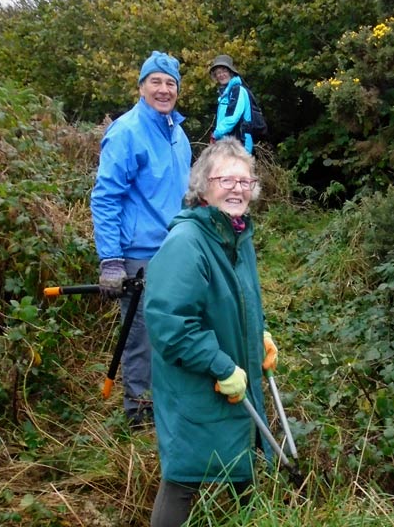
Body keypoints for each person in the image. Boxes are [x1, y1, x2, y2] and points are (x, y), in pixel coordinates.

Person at [144, 137, 279, 527]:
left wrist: (260, 335)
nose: (237, 189)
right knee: (184, 476)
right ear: (203, 186)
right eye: (226, 180)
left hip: (234, 375)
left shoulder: (237, 237)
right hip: (198, 383)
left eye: (245, 181)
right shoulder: (187, 243)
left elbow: (241, 300)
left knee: (242, 470)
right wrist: (220, 365)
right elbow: (170, 324)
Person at [90, 50, 192, 430]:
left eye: (171, 83)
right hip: (138, 256)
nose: (164, 89)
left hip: (175, 250)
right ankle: (139, 416)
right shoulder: (127, 131)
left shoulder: (178, 134)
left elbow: (185, 194)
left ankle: (168, 403)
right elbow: (105, 197)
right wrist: (111, 259)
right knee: (142, 338)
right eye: (156, 82)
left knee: (175, 328)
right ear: (141, 86)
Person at [209, 54, 254, 154]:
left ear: (231, 72)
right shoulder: (225, 94)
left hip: (240, 144)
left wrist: (215, 134)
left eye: (224, 71)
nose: (221, 75)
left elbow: (233, 117)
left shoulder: (238, 90)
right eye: (218, 72)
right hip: (227, 145)